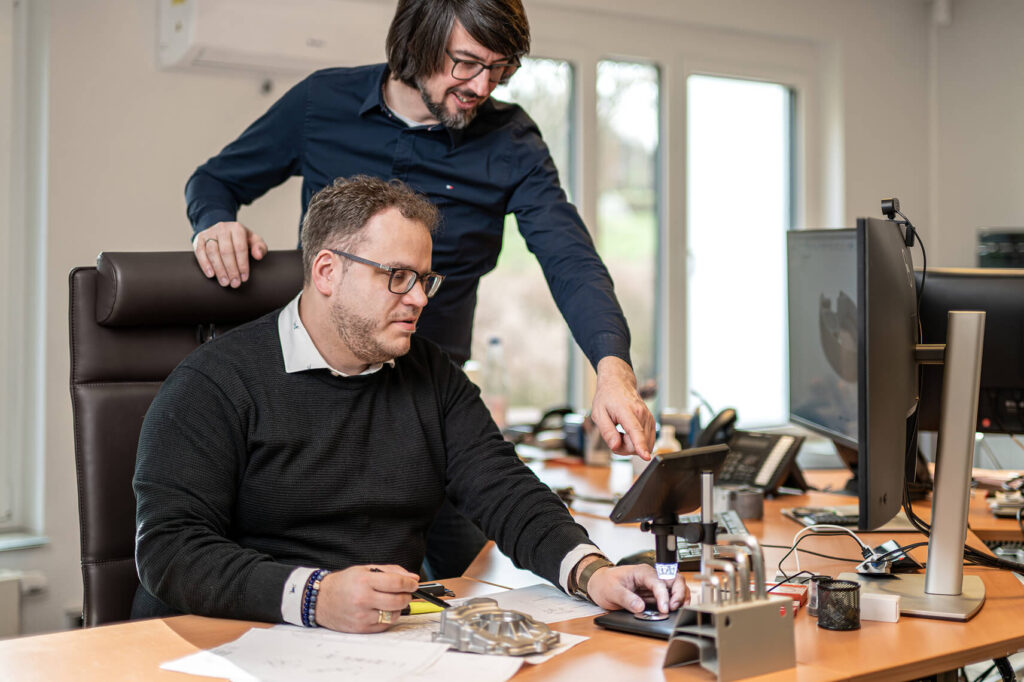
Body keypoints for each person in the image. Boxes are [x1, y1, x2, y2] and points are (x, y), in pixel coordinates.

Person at [185, 0, 656, 577]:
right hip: (322, 405)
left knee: (484, 579)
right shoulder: (321, 103)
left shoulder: (509, 140)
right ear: (418, 42)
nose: (482, 84)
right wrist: (214, 222)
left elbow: (570, 259)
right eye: (465, 63)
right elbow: (215, 179)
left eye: (500, 68)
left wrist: (612, 368)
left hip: (436, 406)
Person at [133, 176, 686, 632]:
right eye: (397, 277)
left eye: (424, 279)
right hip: (234, 643)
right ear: (327, 272)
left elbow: (506, 491)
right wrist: (313, 596)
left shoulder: (430, 373)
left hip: (383, 644)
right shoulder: (213, 382)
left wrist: (592, 573)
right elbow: (170, 548)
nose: (419, 298)